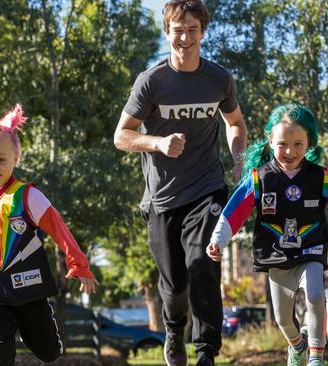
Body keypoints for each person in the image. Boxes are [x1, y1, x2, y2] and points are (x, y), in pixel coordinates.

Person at [113, 1, 248, 365]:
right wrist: (156, 142)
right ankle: (174, 330)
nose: (185, 37)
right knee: (174, 285)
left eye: (192, 30)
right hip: (162, 198)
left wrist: (238, 159)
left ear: (203, 32)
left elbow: (235, 123)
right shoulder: (152, 81)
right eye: (178, 30)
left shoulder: (219, 79)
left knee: (204, 263)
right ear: (167, 31)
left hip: (208, 188)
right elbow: (121, 136)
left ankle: (206, 352)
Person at [0, 104, 99, 366]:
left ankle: (41, 335)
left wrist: (79, 264)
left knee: (48, 352)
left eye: (1, 159)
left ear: (16, 158)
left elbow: (59, 230)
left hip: (28, 289)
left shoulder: (27, 196)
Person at [207, 103, 328, 366]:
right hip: (276, 254)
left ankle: (316, 355)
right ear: (270, 140)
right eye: (282, 143)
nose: (290, 151)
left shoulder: (322, 178)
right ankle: (297, 344)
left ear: (309, 144)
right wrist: (218, 240)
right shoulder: (259, 178)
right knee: (284, 319)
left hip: (310, 250)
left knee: (316, 295)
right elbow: (233, 211)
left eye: (298, 144)